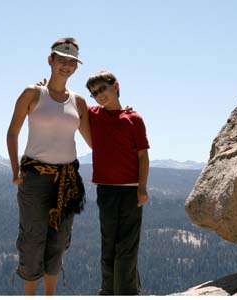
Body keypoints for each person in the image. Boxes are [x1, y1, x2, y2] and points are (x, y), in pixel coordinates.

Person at [6, 37, 91, 295]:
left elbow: (93, 140)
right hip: (35, 178)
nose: (66, 66)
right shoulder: (33, 94)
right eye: (61, 60)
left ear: (76, 67)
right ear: (50, 60)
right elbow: (12, 133)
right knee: (32, 240)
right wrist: (15, 170)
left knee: (58, 241)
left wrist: (122, 113)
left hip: (66, 179)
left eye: (71, 62)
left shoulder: (78, 102)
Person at [86, 71, 150, 295]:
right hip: (105, 190)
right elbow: (69, 99)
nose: (99, 95)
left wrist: (142, 188)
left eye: (102, 88)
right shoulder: (93, 114)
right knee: (109, 245)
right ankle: (108, 292)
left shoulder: (134, 120)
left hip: (131, 191)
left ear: (116, 86)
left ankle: (127, 294)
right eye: (94, 93)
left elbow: (143, 156)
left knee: (127, 246)